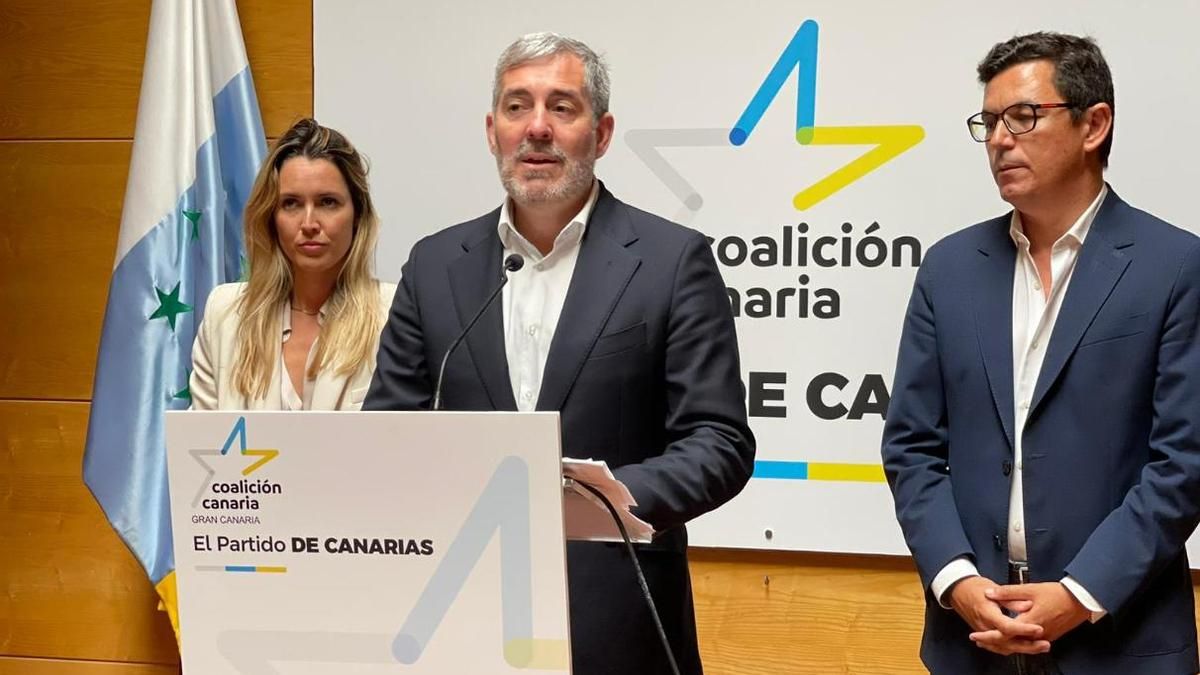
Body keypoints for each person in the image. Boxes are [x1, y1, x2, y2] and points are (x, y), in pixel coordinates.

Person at [364, 32, 754, 674]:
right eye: (517, 107)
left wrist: (603, 499)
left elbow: (719, 440)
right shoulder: (435, 266)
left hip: (615, 619)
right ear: (492, 131)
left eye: (562, 107)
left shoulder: (671, 261)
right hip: (453, 619)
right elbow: (388, 431)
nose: (536, 128)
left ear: (600, 134)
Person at [882, 31, 1200, 675]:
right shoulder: (949, 269)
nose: (1000, 139)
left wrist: (1080, 594)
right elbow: (911, 446)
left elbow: (1183, 462)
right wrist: (956, 580)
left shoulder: (1175, 266)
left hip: (1120, 639)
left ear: (1094, 125)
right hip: (971, 636)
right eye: (990, 122)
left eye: (1023, 117)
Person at [190, 118, 396, 410]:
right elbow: (201, 444)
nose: (309, 223)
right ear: (270, 217)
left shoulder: (394, 315)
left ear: (358, 216)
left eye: (328, 202)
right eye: (291, 204)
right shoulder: (225, 315)